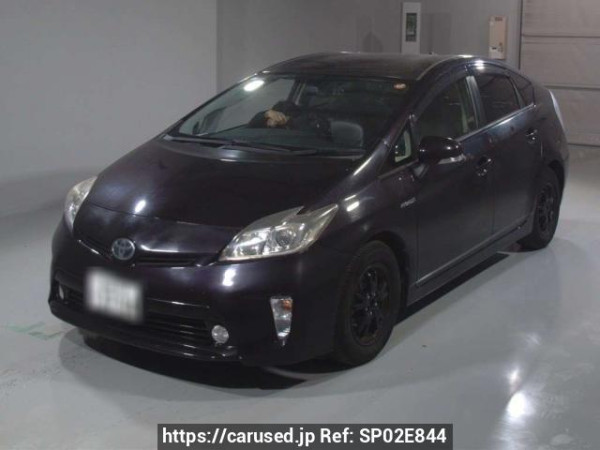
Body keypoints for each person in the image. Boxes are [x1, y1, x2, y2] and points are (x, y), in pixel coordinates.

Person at [248, 100, 330, 136]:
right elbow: (249, 129)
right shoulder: (266, 120)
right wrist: (266, 114)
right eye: (274, 115)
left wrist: (288, 123)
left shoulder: (310, 122)